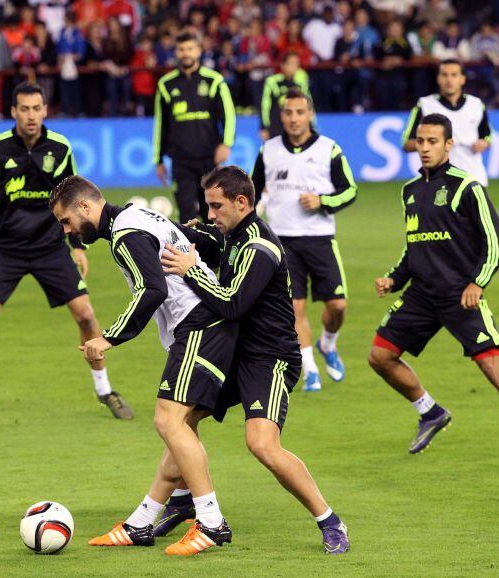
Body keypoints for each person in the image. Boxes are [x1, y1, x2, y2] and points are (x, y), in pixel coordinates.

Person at [160, 166, 350, 555]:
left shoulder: (260, 247)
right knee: (179, 421)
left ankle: (330, 520)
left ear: (241, 202)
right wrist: (174, 231)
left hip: (270, 358)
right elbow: (204, 237)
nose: (211, 214)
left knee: (262, 445)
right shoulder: (231, 235)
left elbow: (232, 304)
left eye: (216, 207)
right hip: (235, 354)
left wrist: (192, 268)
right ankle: (181, 502)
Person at [49, 176, 238, 556]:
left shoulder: (124, 235)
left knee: (168, 421)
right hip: (209, 325)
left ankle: (212, 521)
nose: (66, 229)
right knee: (180, 426)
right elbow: (194, 246)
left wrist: (109, 336)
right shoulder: (138, 215)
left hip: (200, 326)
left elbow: (154, 290)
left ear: (85, 207)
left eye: (66, 220)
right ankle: (143, 521)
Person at [0, 82, 132, 424]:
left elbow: (76, 200)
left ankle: (105, 389)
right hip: (6, 250)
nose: (31, 116)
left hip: (50, 248)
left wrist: (77, 246)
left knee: (86, 316)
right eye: (24, 109)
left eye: (37, 108)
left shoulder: (59, 148)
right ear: (13, 112)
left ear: (45, 110)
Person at [368, 113, 499, 466]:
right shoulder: (409, 190)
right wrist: (394, 279)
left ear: (449, 145)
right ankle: (430, 411)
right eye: (420, 141)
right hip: (421, 295)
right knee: (380, 356)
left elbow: (494, 241)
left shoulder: (467, 187)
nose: (424, 148)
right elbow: (415, 243)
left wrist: (477, 283)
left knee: (493, 368)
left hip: (459, 296)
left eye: (432, 141)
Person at [251, 88, 357, 392]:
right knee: (294, 309)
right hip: (282, 241)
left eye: (300, 112)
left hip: (320, 239)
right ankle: (309, 370)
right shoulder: (268, 150)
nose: (294, 118)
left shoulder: (329, 148)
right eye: (288, 113)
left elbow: (350, 190)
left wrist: (323, 201)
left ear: (310, 114)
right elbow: (252, 191)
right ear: (281, 116)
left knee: (337, 305)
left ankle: (328, 343)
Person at [153, 31, 236, 222]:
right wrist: (158, 159)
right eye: (181, 49)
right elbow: (161, 124)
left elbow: (229, 115)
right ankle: (191, 252)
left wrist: (226, 143)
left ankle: (213, 252)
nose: (185, 53)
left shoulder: (214, 80)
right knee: (186, 214)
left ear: (198, 50)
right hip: (181, 160)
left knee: (212, 214)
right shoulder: (165, 84)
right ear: (176, 52)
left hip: (209, 158)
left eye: (190, 49)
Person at [402, 59, 492, 186]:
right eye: (444, 75)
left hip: (473, 177)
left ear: (463, 79)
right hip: (437, 180)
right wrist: (432, 144)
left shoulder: (476, 105)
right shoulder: (425, 105)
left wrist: (484, 143)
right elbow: (407, 143)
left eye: (454, 75)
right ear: (438, 79)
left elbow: (487, 136)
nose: (449, 80)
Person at [259, 52, 312, 141]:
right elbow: (265, 106)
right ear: (283, 65)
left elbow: (309, 106)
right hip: (275, 128)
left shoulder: (301, 84)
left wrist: (311, 126)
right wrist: (264, 127)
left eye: (296, 63)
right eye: (291, 63)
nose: (294, 67)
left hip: (295, 128)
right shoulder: (272, 81)